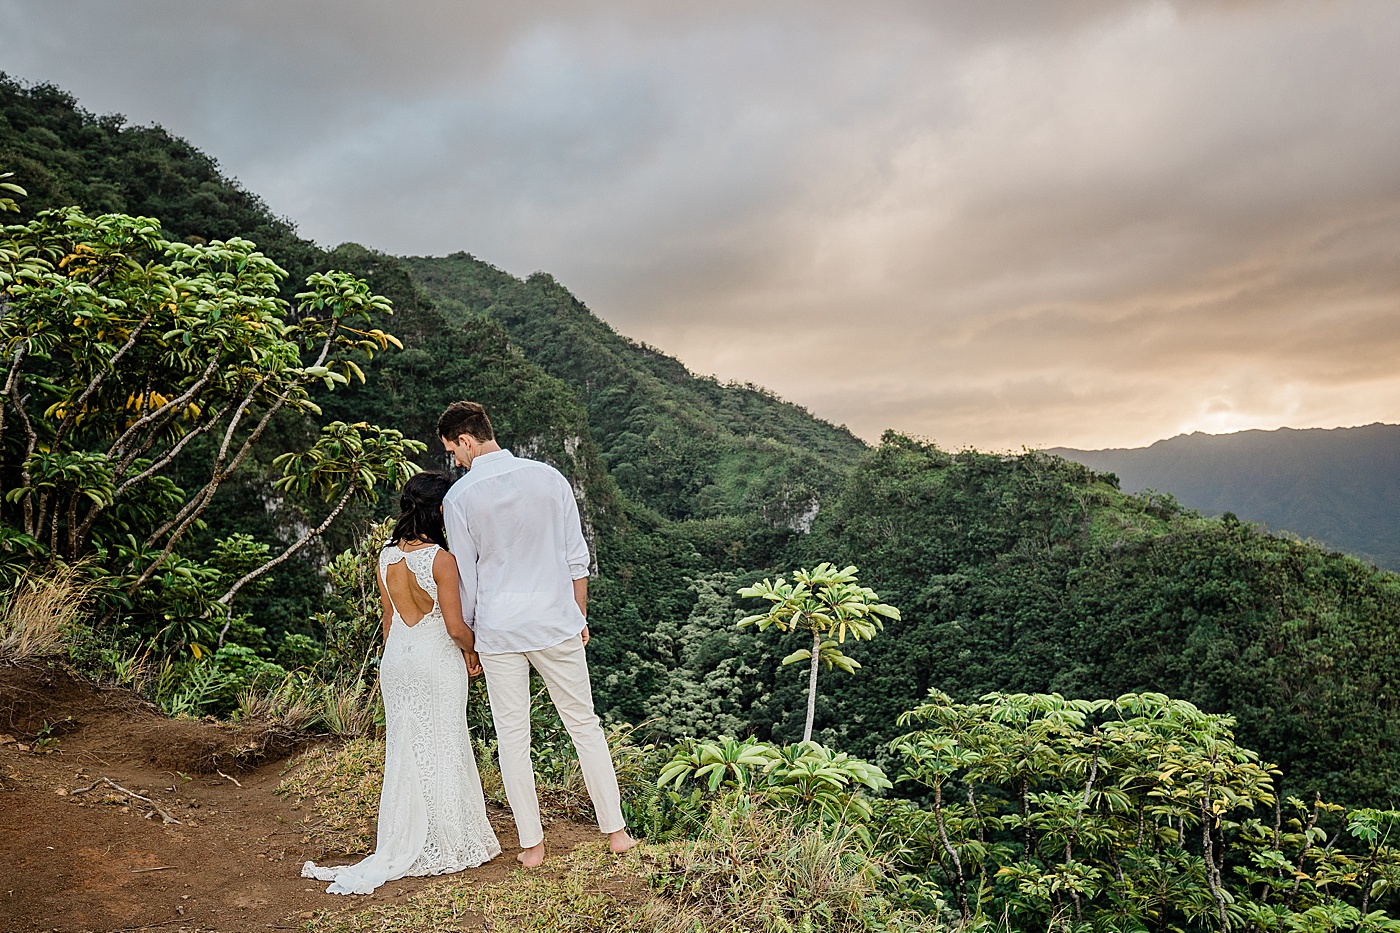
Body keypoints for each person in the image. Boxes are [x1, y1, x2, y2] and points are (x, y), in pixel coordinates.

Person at [437, 400, 637, 867]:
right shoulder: (549, 478)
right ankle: (617, 834)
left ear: (466, 440)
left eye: (453, 450)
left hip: (500, 632)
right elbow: (576, 557)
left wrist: (470, 643)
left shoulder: (460, 499)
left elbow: (466, 574)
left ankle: (532, 845)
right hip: (554, 622)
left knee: (512, 738)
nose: (455, 460)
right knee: (585, 727)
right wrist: (578, 614)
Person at [302, 471, 500, 894]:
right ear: (439, 510)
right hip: (435, 661)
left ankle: (402, 833)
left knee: (406, 744)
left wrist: (400, 660)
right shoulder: (441, 560)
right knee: (443, 740)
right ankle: (446, 837)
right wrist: (475, 650)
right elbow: (454, 627)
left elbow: (389, 620)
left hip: (397, 662)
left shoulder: (386, 556)